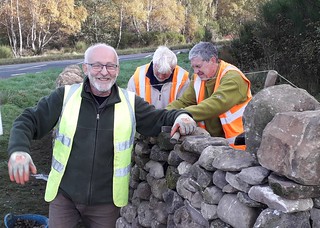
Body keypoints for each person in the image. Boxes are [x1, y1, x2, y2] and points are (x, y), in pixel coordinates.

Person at [7, 43, 196, 228]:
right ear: (85, 68)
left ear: (117, 69)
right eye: (96, 65)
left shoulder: (130, 103)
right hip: (64, 197)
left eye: (110, 66)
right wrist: (18, 151)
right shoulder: (65, 97)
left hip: (106, 203)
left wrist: (182, 116)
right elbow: (27, 120)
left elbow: (159, 118)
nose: (104, 72)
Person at [166, 42, 252, 150]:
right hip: (213, 145)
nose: (196, 71)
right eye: (193, 67)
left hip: (239, 146)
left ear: (212, 60)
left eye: (198, 66)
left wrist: (182, 114)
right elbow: (184, 101)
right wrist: (165, 114)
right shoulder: (198, 78)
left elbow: (216, 104)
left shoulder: (233, 78)